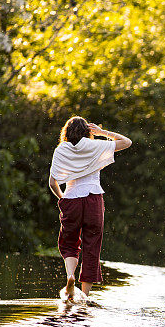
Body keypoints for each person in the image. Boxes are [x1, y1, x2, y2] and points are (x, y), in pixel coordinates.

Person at [48, 116, 131, 301]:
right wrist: (102, 132)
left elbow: (52, 182)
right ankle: (84, 296)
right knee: (92, 245)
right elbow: (127, 142)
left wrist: (63, 199)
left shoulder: (61, 150)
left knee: (69, 243)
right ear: (88, 131)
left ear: (66, 132)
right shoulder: (96, 146)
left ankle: (70, 276)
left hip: (71, 199)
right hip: (94, 198)